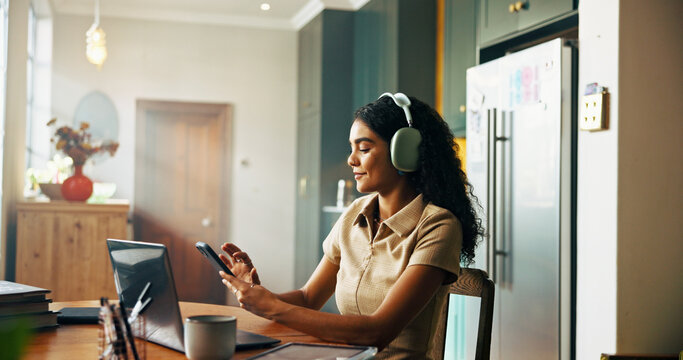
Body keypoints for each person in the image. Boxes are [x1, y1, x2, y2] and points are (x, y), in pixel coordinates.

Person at [218, 93, 484, 359]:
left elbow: (377, 332)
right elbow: (309, 298)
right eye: (351, 148)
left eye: (364, 149)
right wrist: (257, 295)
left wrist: (272, 307)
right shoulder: (355, 213)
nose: (351, 160)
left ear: (404, 152)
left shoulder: (438, 226)